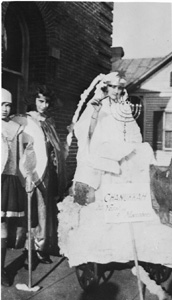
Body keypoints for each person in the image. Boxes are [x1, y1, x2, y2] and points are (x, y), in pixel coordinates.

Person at [57, 72, 172, 269]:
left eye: (119, 87)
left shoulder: (125, 107)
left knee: (134, 203)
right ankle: (101, 250)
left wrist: (134, 150)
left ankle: (138, 250)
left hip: (126, 162)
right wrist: (94, 112)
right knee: (104, 208)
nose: (116, 91)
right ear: (105, 87)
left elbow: (134, 135)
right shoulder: (96, 106)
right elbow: (87, 134)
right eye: (112, 87)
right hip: (105, 162)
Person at [23, 84, 67, 268]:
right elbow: (25, 150)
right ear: (33, 100)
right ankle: (29, 251)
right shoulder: (27, 121)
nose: (44, 105)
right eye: (40, 101)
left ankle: (41, 248)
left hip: (50, 171)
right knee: (34, 211)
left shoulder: (49, 121)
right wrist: (28, 174)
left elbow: (56, 147)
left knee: (46, 210)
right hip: (34, 170)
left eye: (47, 101)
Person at [1, 88, 26, 286]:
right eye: (1, 104)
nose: (4, 109)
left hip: (7, 180)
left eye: (8, 105)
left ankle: (0, 269)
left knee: (2, 225)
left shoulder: (15, 127)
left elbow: (21, 157)